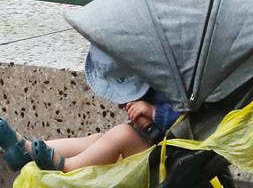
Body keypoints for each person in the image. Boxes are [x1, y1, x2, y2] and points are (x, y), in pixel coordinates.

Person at [0, 47, 180, 172]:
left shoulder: (195, 82)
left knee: (122, 134)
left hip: (171, 156)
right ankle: (26, 150)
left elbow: (194, 117)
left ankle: (66, 166)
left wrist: (154, 112)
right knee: (97, 140)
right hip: (151, 142)